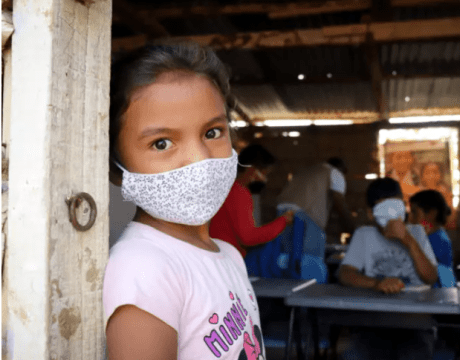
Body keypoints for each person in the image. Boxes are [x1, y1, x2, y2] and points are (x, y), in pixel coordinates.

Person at [103, 43, 267, 359]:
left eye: (212, 132)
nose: (198, 159)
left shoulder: (229, 255)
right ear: (116, 167)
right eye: (161, 143)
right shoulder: (143, 269)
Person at [338, 178, 438, 360]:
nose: (392, 216)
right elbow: (345, 274)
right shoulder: (364, 235)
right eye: (384, 210)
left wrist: (407, 240)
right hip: (374, 323)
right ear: (371, 214)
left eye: (396, 207)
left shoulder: (416, 232)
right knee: (355, 355)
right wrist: (376, 283)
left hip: (414, 323)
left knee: (414, 355)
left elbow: (431, 277)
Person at [209, 144, 294, 257]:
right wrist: (283, 221)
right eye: (264, 173)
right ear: (251, 169)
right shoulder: (239, 192)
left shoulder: (223, 187)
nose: (264, 179)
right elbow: (248, 238)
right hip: (226, 258)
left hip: (215, 253)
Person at [277, 157, 355, 234]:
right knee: (313, 245)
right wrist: (353, 229)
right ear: (341, 169)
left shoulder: (308, 170)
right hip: (305, 215)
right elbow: (339, 202)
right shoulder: (335, 172)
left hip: (281, 212)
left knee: (288, 245)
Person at [409, 190, 453, 269]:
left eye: (414, 212)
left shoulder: (439, 241)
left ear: (432, 214)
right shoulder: (429, 237)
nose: (410, 218)